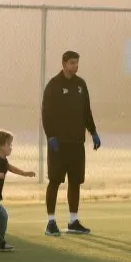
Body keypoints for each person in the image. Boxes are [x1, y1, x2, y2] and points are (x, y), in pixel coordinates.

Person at [41, 50, 100, 236]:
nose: (76, 66)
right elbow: (46, 113)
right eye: (72, 63)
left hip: (77, 143)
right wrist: (50, 136)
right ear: (64, 63)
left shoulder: (81, 84)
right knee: (55, 181)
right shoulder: (54, 85)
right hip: (59, 144)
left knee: (75, 182)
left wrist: (93, 131)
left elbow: (86, 111)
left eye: (77, 63)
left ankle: (73, 221)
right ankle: (51, 222)